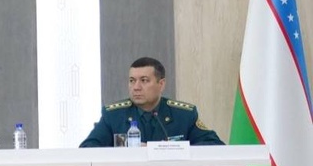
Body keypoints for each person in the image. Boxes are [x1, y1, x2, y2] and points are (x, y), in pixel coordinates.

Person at [79, 57, 224, 147]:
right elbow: (88, 148)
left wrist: (170, 150)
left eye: (144, 80)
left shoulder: (184, 115)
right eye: (132, 81)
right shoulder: (114, 115)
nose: (136, 87)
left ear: (161, 84)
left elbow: (214, 145)